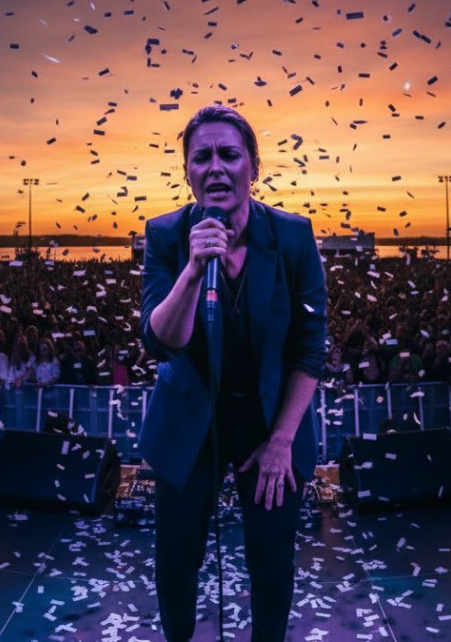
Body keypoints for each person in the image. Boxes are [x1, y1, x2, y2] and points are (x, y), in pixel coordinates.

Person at [139, 105, 327, 642]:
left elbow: (311, 347)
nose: (215, 167)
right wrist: (195, 270)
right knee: (176, 562)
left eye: (229, 154)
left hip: (270, 424)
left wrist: (281, 442)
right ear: (188, 171)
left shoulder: (292, 237)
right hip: (189, 422)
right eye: (202, 157)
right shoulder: (167, 236)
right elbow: (161, 340)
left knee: (270, 560)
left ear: (253, 166)